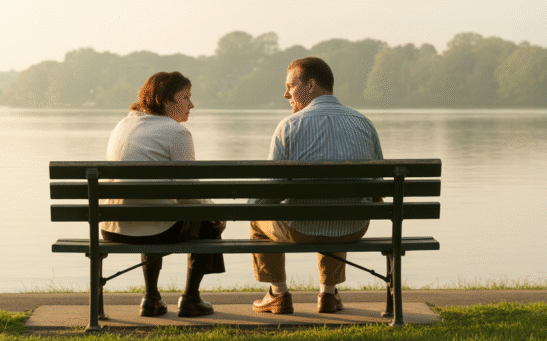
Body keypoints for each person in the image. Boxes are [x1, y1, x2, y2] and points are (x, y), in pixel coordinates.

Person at [250, 57, 384, 314]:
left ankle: (277, 293)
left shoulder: (289, 126)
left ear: (311, 85)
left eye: (291, 85)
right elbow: (377, 189)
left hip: (300, 230)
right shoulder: (363, 123)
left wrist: (254, 207)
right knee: (340, 211)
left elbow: (266, 194)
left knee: (257, 218)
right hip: (353, 228)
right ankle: (328, 295)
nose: (285, 93)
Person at [100, 71, 226, 318]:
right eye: (186, 97)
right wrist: (215, 211)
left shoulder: (123, 125)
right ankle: (191, 299)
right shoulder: (176, 132)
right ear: (166, 100)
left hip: (112, 227)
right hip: (154, 229)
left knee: (154, 209)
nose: (191, 105)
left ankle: (151, 297)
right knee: (207, 218)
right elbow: (189, 194)